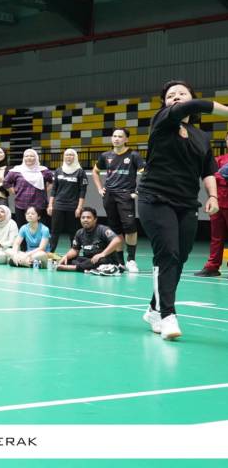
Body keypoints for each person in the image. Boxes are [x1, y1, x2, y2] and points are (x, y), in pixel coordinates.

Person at [137, 80, 228, 340]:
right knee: (168, 253)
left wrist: (213, 196)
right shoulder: (162, 120)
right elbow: (191, 106)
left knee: (180, 256)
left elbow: (207, 170)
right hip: (155, 198)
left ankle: (153, 309)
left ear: (191, 97)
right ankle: (168, 315)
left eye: (181, 93)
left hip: (187, 203)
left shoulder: (201, 137)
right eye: (170, 95)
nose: (175, 97)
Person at [93, 128, 145, 273]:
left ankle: (131, 260)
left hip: (125, 195)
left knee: (130, 227)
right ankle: (120, 261)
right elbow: (95, 171)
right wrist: (99, 188)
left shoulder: (134, 155)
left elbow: (145, 174)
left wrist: (137, 192)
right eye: (114, 136)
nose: (116, 139)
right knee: (115, 229)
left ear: (126, 139)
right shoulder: (105, 155)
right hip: (109, 195)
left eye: (120, 136)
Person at [195, 134, 228, 277]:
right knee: (216, 237)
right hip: (218, 204)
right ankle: (212, 266)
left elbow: (215, 176)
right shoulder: (219, 159)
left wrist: (218, 175)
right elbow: (210, 176)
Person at [56, 208, 122, 275]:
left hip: (105, 259)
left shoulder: (102, 229)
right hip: (89, 260)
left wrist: (102, 254)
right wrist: (66, 256)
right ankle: (88, 268)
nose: (85, 220)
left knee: (100, 260)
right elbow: (75, 250)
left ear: (95, 219)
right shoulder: (79, 233)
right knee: (70, 259)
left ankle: (74, 268)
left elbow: (117, 240)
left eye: (88, 217)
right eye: (83, 217)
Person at [47, 149, 87, 253]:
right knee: (54, 231)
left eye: (71, 155)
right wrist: (50, 205)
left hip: (73, 206)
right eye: (67, 155)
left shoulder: (80, 172)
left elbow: (82, 191)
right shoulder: (58, 171)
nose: (69, 157)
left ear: (75, 157)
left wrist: (79, 207)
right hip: (58, 205)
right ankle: (50, 253)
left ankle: (73, 254)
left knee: (73, 232)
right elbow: (54, 189)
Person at [2, 149, 54, 227]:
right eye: (26, 156)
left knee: (40, 229)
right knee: (22, 228)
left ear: (36, 157)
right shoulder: (16, 170)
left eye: (32, 156)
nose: (29, 158)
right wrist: (14, 191)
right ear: (23, 158)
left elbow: (53, 181)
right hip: (21, 205)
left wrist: (45, 189)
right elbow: (6, 182)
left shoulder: (43, 170)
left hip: (39, 205)